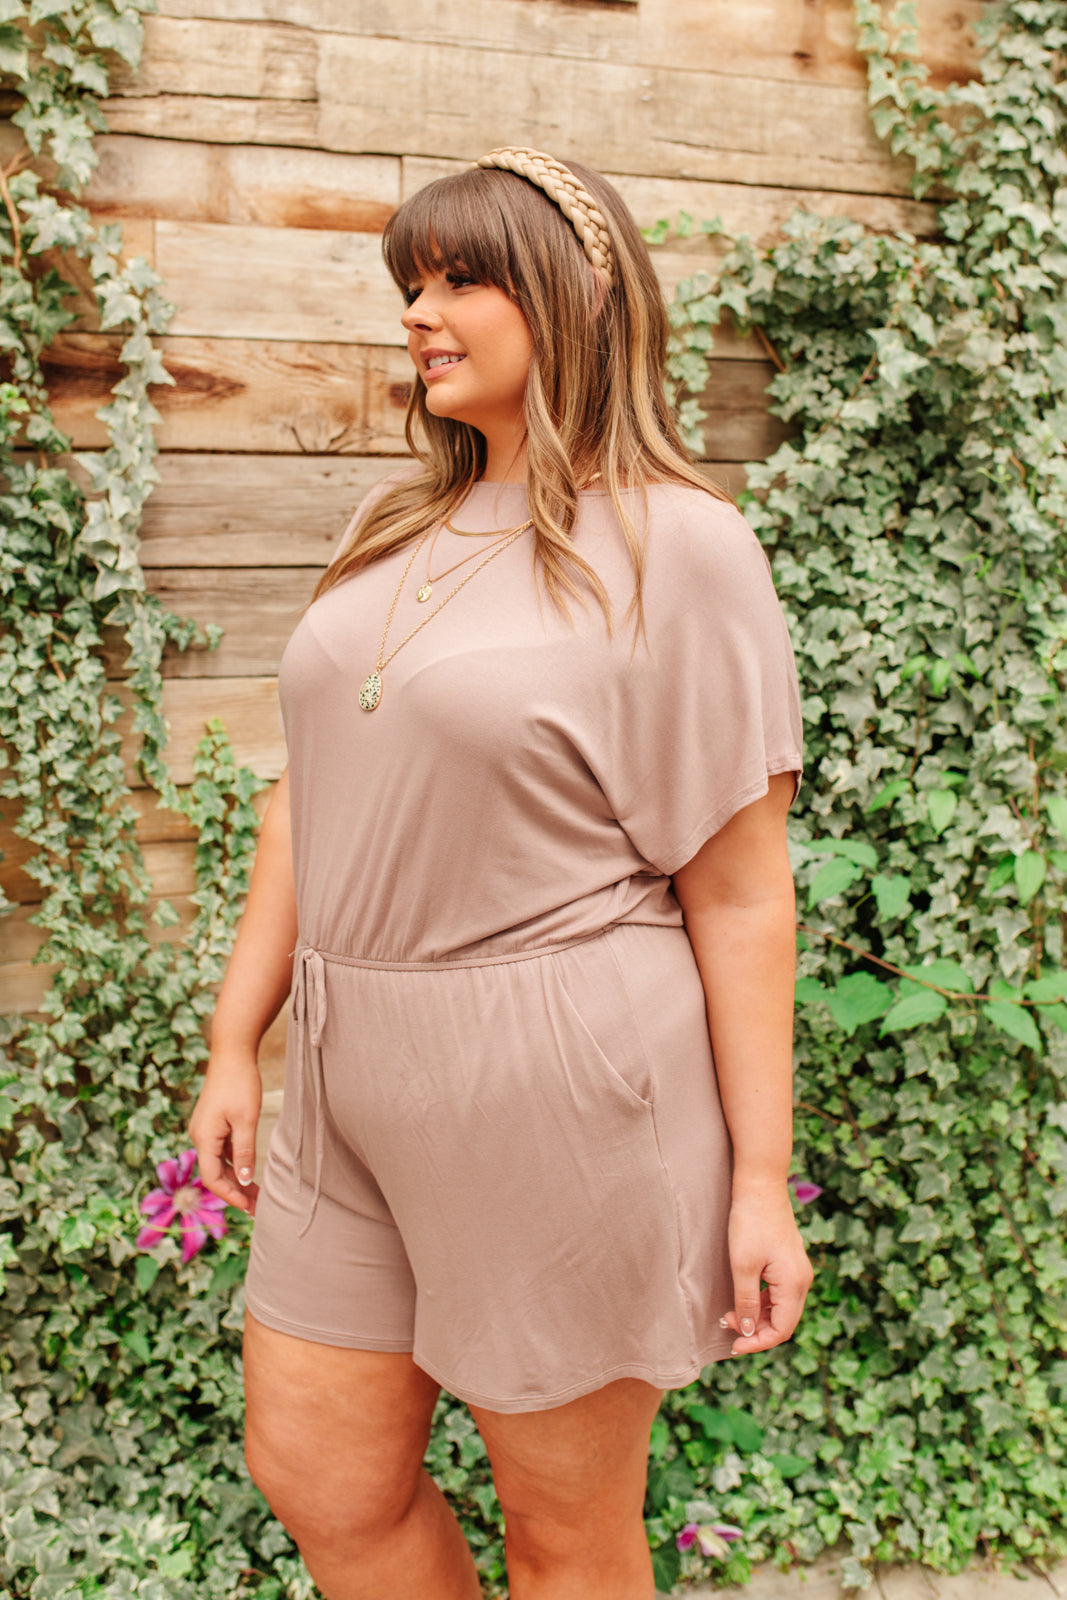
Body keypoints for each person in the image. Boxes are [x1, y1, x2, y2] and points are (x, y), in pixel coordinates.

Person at [190, 146, 812, 1600]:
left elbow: (738, 892)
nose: (419, 310)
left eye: (462, 277)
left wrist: (760, 1180)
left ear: (578, 293)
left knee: (564, 1534)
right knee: (319, 1473)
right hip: (346, 1072)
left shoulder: (680, 546)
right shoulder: (393, 528)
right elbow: (306, 798)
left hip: (557, 1083)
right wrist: (235, 1039)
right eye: (410, 281)